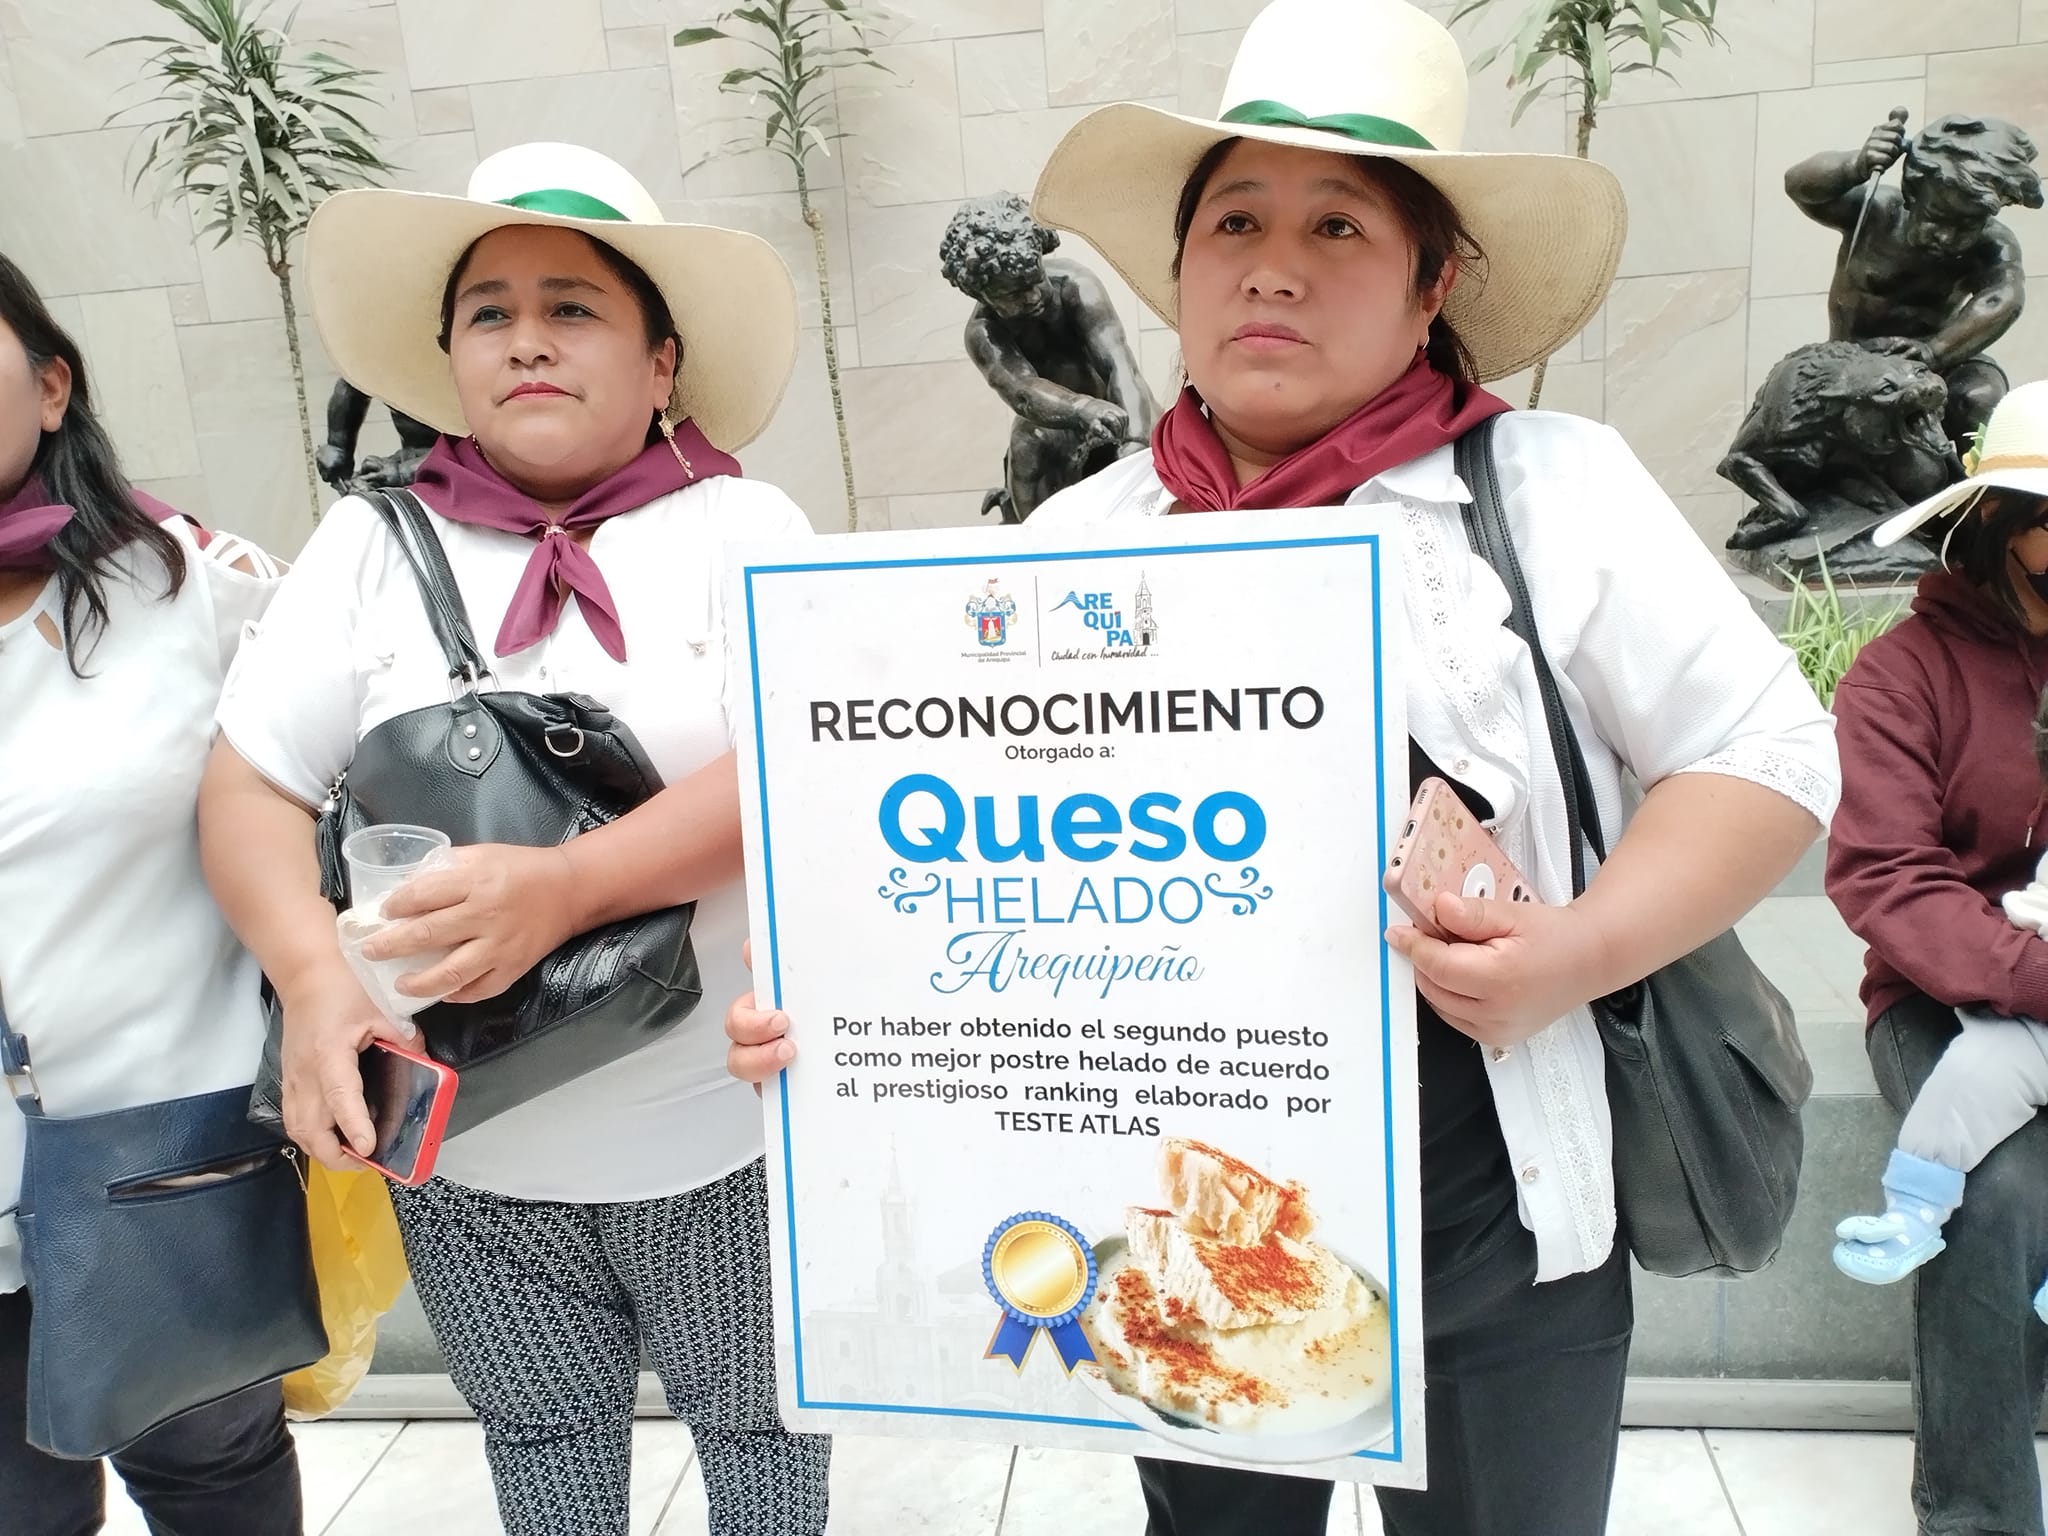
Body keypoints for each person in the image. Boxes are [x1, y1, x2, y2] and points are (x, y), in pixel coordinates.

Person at [726, 1, 1842, 1531]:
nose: (1274, 262)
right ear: (1179, 272)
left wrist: (1574, 952)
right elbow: (952, 856)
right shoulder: (1085, 534)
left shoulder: (1549, 487)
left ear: (1431, 279)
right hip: (1188, 1235)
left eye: (1340, 225)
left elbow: (1763, 750)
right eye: (1234, 219)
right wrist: (848, 1023)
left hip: (1494, 1237)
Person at [195, 143, 829, 1536]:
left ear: (662, 362)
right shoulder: (367, 545)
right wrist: (312, 987)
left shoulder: (742, 527)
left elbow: (803, 759)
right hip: (468, 1151)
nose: (526, 340)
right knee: (542, 1454)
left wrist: (570, 886)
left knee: (769, 1444)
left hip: (726, 1138)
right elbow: (249, 790)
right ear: (447, 360)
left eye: (573, 307)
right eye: (490, 312)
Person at [0, 252, 301, 1533]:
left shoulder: (196, 586)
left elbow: (344, 799)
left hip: (158, 1171)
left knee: (212, 1486)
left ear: (51, 384)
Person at [1826, 377, 2048, 1532]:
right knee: (1994, 1192)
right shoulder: (1900, 676)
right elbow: (1883, 877)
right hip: (1942, 999)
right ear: (2004, 529)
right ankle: (1975, 1513)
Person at [1787, 108, 2041, 449]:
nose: (1947, 237)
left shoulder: (1993, 243)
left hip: (1942, 360)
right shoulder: (1878, 211)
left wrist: (1935, 351)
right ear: (1913, 194)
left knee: (1981, 398)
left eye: (1967, 225)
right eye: (1936, 218)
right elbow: (1801, 187)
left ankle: (1988, 496)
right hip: (1855, 365)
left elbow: (2003, 298)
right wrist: (1854, 166)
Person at [940, 191, 1157, 522]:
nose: (1033, 297)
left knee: (1146, 426)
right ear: (980, 293)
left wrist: (1135, 444)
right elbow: (1023, 392)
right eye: (1013, 294)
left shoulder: (1074, 283)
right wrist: (1080, 409)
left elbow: (1119, 365)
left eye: (1034, 280)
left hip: (1114, 401)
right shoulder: (983, 332)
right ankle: (1036, 550)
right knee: (1026, 444)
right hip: (1052, 417)